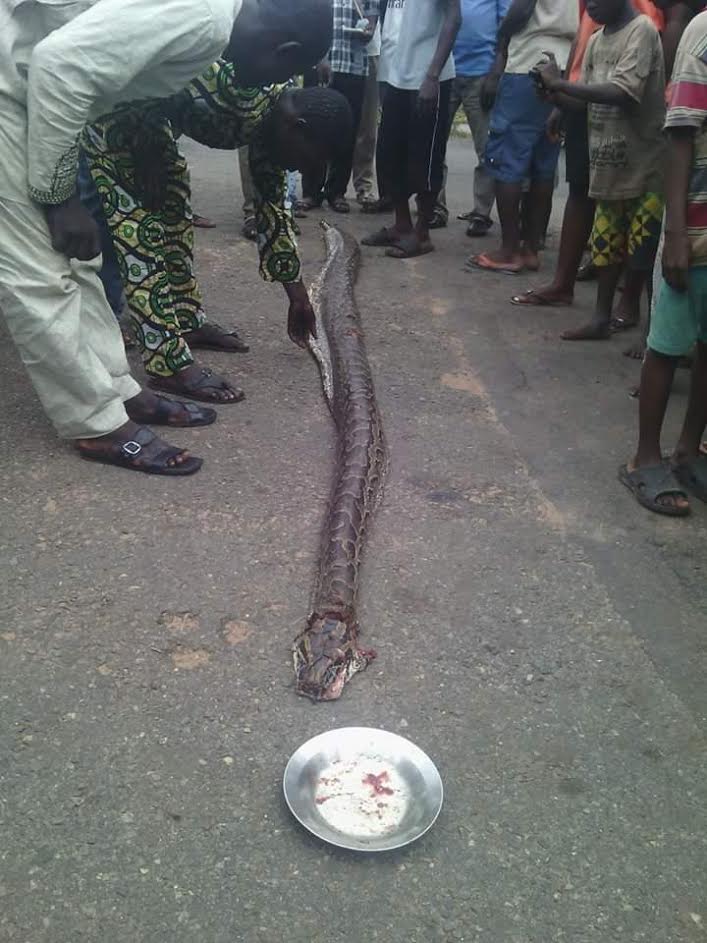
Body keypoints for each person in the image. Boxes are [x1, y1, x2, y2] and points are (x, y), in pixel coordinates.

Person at [84, 61, 353, 404]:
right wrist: (144, 147)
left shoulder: (274, 129)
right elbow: (142, 70)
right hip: (117, 116)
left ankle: (185, 320)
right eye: (305, 160)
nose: (299, 169)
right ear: (297, 127)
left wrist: (298, 295)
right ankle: (164, 363)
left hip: (153, 122)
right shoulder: (239, 91)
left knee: (174, 211)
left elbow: (273, 210)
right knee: (141, 230)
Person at [510, 0, 666, 312]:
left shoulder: (642, 30)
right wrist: (555, 95)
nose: (588, 4)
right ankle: (601, 316)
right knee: (606, 243)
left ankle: (643, 323)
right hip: (607, 166)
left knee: (642, 248)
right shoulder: (596, 38)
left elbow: (623, 92)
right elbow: (585, 103)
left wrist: (562, 84)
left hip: (642, 165)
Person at [620, 10, 707, 516]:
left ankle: (689, 448)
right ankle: (644, 457)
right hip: (693, 228)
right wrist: (674, 232)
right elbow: (680, 135)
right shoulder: (701, 32)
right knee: (668, 343)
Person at [467, 0, 578, 274]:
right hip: (561, 61)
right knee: (543, 160)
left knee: (507, 159)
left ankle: (508, 250)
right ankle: (530, 249)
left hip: (527, 62)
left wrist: (502, 34)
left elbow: (521, 8)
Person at [362, 0, 462, 259]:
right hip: (396, 74)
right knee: (390, 154)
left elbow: (454, 18)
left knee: (425, 158)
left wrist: (432, 75)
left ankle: (422, 233)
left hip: (427, 77)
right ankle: (402, 224)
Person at [434, 0, 512, 236]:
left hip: (481, 72)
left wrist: (496, 72)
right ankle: (435, 207)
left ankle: (481, 213)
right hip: (445, 69)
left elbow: (506, 28)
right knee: (435, 145)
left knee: (487, 149)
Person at [298, 0, 380, 214]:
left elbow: (372, 15)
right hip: (318, 65)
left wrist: (368, 30)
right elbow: (308, 17)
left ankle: (337, 192)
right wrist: (320, 57)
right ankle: (311, 191)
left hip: (353, 65)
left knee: (347, 130)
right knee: (313, 128)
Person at [352, 22, 382, 208]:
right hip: (339, 55)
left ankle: (364, 186)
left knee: (368, 126)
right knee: (335, 124)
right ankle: (331, 189)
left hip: (371, 53)